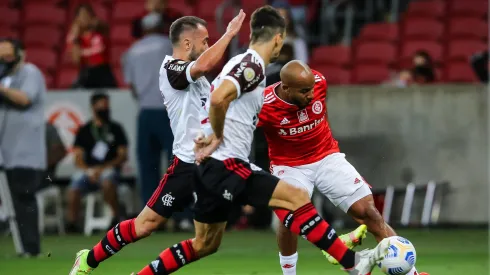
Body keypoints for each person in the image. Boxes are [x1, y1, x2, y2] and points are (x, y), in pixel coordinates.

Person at [133, 6, 388, 275]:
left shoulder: (248, 64)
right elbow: (218, 98)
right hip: (225, 163)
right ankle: (352, 263)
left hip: (209, 166)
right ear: (278, 38)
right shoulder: (252, 65)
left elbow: (215, 98)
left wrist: (207, 134)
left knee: (205, 244)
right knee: (295, 197)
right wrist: (217, 136)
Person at [68, 11, 246, 275]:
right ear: (187, 44)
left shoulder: (201, 80)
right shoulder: (171, 68)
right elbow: (205, 64)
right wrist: (229, 34)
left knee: (208, 243)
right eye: (205, 40)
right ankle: (88, 259)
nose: (208, 45)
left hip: (213, 164)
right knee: (146, 225)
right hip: (187, 166)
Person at [257, 60, 429, 275]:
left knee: (370, 213)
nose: (310, 95)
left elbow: (321, 114)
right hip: (289, 166)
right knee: (289, 218)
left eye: (311, 90)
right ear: (285, 87)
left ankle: (412, 274)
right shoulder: (262, 103)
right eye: (303, 92)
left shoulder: (319, 82)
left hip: (326, 156)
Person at [123, 12, 175, 207]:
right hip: (168, 111)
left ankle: (150, 211)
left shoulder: (133, 50)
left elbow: (132, 87)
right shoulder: (167, 45)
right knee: (176, 165)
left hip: (145, 112)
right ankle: (181, 214)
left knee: (147, 166)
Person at [0, 38, 46, 256]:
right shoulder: (5, 78)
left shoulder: (30, 72)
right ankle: (22, 247)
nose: (4, 60)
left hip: (26, 152)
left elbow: (25, 99)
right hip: (7, 152)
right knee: (14, 202)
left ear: (20, 53)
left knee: (24, 199)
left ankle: (31, 248)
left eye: (8, 55)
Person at [65, 92, 128, 232]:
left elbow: (122, 155)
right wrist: (89, 170)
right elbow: (78, 157)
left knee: (107, 181)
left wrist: (103, 168)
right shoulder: (84, 130)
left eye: (107, 106)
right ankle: (72, 223)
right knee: (74, 187)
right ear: (93, 107)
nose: (105, 110)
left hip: (109, 169)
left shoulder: (115, 129)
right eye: (102, 106)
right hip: (89, 171)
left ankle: (116, 217)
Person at [66, 4, 116, 89]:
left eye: (87, 15)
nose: (85, 18)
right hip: (86, 73)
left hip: (103, 72)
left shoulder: (99, 31)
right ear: (77, 19)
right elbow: (76, 60)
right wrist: (75, 37)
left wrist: (95, 25)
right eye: (81, 16)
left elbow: (106, 29)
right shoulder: (74, 38)